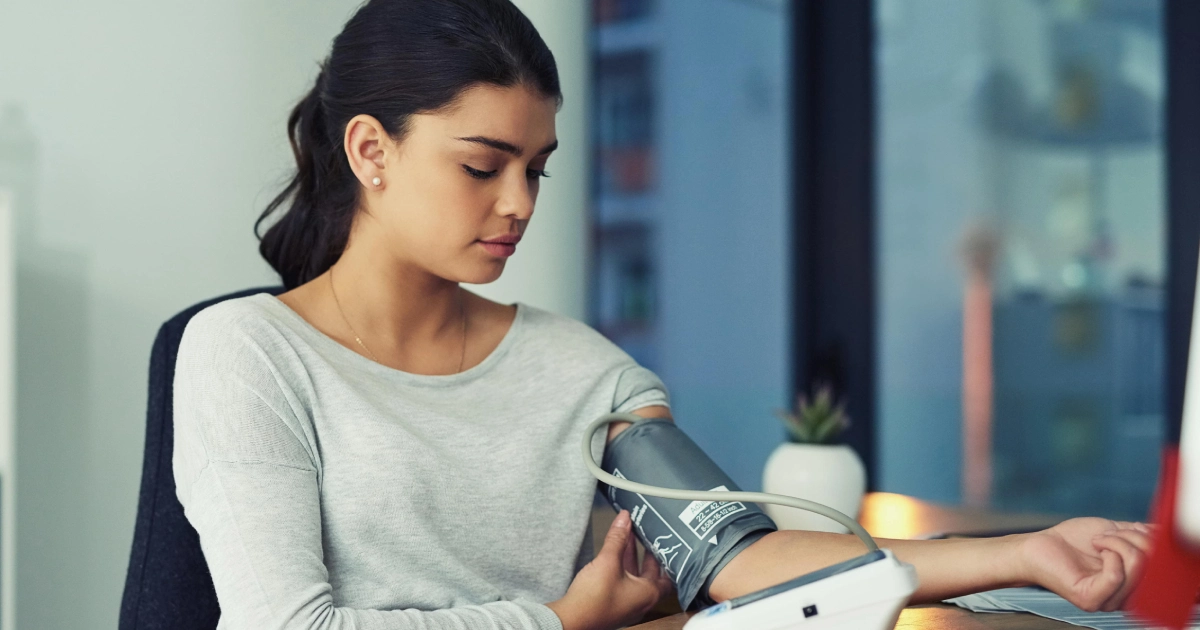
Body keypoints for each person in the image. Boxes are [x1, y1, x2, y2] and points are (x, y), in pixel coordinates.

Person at [171, 1, 1152, 628]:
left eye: (536, 170)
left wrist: (1021, 552)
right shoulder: (248, 353)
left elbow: (738, 553)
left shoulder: (580, 371)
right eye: (481, 166)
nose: (518, 202)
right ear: (371, 151)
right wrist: (562, 619)